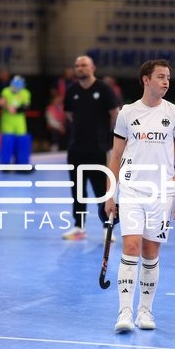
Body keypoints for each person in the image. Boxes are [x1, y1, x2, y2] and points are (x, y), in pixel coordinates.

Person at [104, 59, 175, 333]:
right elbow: (116, 155)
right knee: (131, 247)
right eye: (161, 77)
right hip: (131, 189)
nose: (166, 82)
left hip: (162, 193)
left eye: (168, 78)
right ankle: (125, 311)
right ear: (146, 80)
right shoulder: (127, 112)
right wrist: (110, 193)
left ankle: (145, 310)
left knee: (151, 252)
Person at [62, 55, 119, 240]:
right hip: (76, 149)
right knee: (78, 190)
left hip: (98, 149)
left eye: (84, 65)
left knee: (101, 190)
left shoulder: (104, 89)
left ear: (93, 67)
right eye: (77, 65)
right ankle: (79, 227)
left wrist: (103, 135)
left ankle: (106, 227)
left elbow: (114, 115)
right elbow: (69, 114)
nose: (80, 68)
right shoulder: (71, 91)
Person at [0, 75, 32, 166]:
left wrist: (16, 109)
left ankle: (22, 163)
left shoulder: (25, 93)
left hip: (20, 122)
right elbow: (1, 102)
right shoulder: (6, 91)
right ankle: (4, 164)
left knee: (21, 143)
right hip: (7, 121)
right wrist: (6, 106)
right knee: (7, 143)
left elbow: (26, 106)